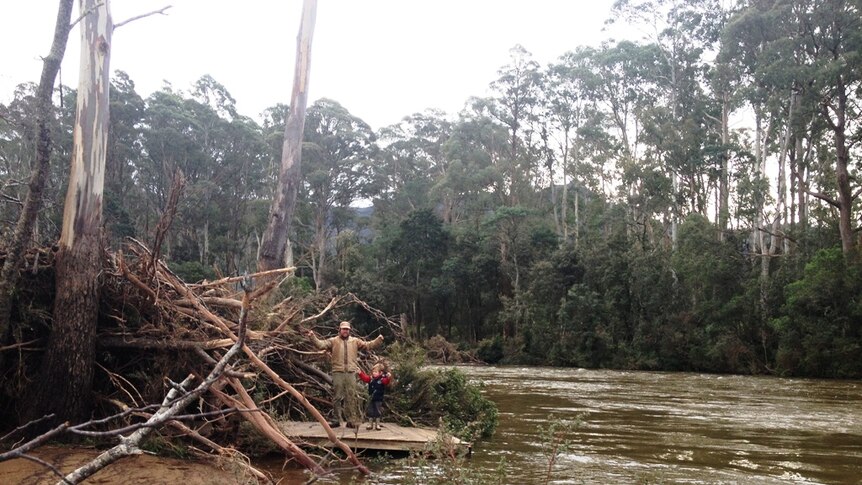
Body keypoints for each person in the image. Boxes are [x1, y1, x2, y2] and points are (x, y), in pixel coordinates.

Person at [306, 321, 384, 428]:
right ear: (340, 330)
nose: (345, 331)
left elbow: (368, 345)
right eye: (343, 329)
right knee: (337, 397)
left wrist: (378, 340)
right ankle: (336, 420)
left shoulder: (355, 341)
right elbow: (321, 345)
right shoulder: (333, 341)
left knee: (350, 396)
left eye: (347, 329)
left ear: (349, 330)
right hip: (338, 372)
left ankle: (350, 421)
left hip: (351, 372)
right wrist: (312, 337)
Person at [358, 363, 391, 430]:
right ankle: (370, 424)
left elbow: (386, 382)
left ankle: (377, 424)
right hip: (371, 398)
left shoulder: (382, 379)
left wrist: (388, 377)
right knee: (370, 411)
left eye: (375, 372)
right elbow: (365, 378)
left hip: (378, 399)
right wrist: (360, 373)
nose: (374, 373)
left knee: (377, 411)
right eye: (373, 372)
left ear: (380, 372)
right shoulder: (371, 379)